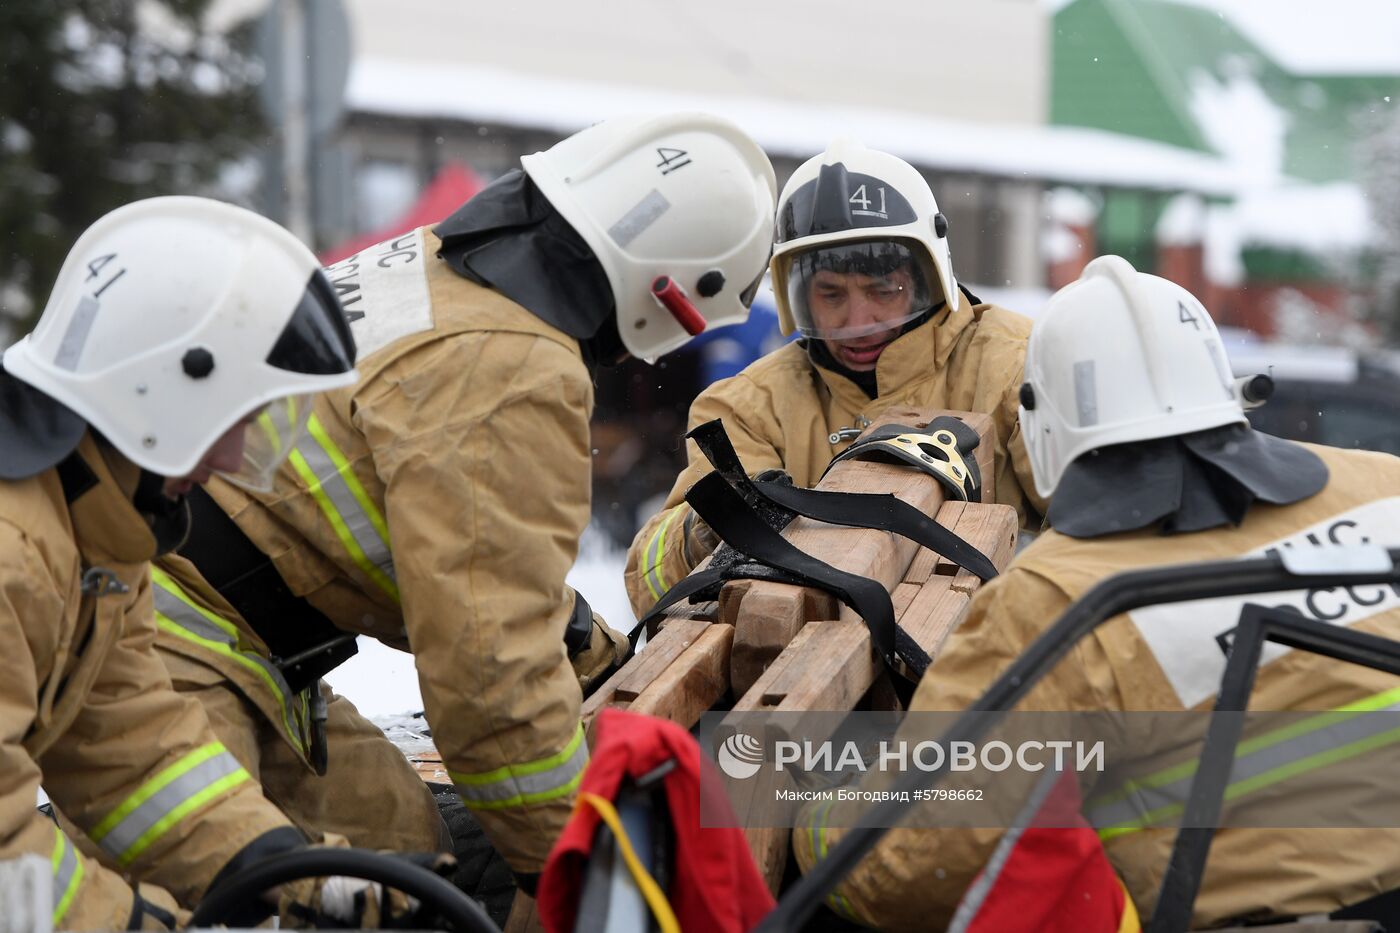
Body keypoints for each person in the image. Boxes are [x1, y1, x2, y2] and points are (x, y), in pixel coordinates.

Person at [151, 112, 778, 902]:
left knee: (407, 843)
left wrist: (603, 660)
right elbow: (492, 696)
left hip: (220, 624)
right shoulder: (515, 370)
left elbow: (476, 564)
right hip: (176, 649)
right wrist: (600, 889)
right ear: (676, 297)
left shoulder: (428, 270)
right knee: (371, 897)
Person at [793, 255, 1400, 929]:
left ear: (1040, 420)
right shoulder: (1386, 485)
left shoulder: (1055, 599)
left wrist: (815, 819)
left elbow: (909, 871)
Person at [0, 196, 417, 929]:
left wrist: (279, 867)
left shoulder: (94, 525)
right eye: (231, 419)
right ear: (154, 391)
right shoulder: (16, 557)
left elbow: (130, 748)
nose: (232, 459)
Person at [625, 140, 1045, 618]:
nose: (855, 318)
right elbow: (649, 580)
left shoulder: (1017, 366)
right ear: (794, 295)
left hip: (1000, 663)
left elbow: (1098, 540)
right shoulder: (747, 406)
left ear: (930, 276)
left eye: (883, 289)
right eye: (830, 294)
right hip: (807, 672)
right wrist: (709, 527)